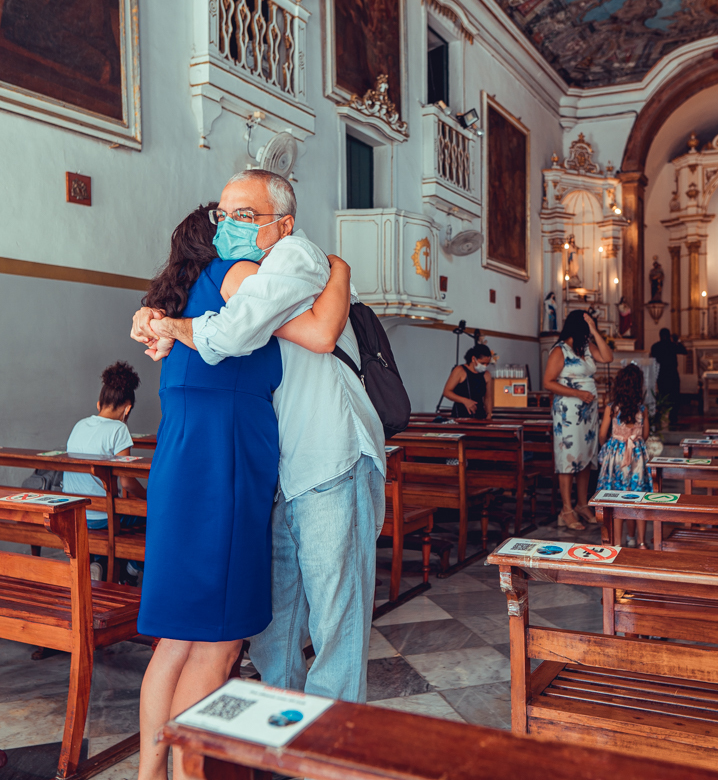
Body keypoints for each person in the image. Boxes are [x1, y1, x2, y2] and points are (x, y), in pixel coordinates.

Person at [130, 170, 386, 712]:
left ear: (283, 224)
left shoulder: (294, 258)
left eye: (244, 216)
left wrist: (172, 325)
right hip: (281, 470)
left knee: (336, 620)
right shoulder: (250, 275)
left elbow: (259, 336)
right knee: (277, 625)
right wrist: (157, 316)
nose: (228, 226)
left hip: (330, 454)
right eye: (224, 215)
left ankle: (323, 754)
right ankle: (281, 734)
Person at [61, 361, 146, 582]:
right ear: (127, 408)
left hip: (76, 512)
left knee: (116, 511)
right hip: (101, 517)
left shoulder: (79, 425)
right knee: (151, 517)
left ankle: (99, 563)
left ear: (99, 404)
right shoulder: (119, 429)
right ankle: (129, 569)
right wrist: (149, 496)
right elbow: (127, 483)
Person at [544, 310, 614, 530]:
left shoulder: (586, 348)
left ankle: (582, 504)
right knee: (569, 458)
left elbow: (608, 357)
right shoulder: (560, 350)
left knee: (586, 457)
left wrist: (594, 330)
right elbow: (548, 382)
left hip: (588, 411)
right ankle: (566, 510)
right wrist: (577, 394)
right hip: (568, 412)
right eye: (587, 325)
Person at [596, 364, 652, 547]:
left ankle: (617, 544)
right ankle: (641, 542)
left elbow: (602, 434)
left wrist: (611, 444)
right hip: (636, 456)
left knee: (617, 498)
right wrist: (633, 438)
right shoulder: (642, 409)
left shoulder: (611, 409)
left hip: (616, 456)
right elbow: (644, 435)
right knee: (639, 496)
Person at [442, 345, 492, 419]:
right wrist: (465, 401)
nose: (485, 366)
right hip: (460, 415)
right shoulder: (460, 370)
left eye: (487, 364)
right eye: (482, 363)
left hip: (480, 416)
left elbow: (488, 398)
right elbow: (447, 392)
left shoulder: (486, 374)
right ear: (473, 359)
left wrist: (489, 414)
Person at [649, 328, 686, 427]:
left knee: (662, 396)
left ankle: (660, 417)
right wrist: (677, 341)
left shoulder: (656, 346)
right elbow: (684, 351)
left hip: (662, 375)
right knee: (674, 397)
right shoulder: (672, 345)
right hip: (672, 374)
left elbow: (651, 358)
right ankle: (673, 417)